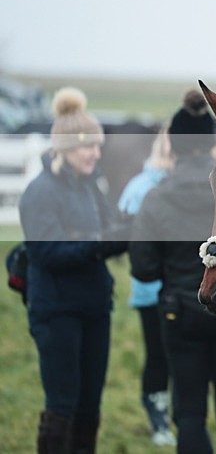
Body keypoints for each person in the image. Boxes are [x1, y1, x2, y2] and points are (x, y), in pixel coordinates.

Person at [129, 90, 216, 454]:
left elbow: (143, 269)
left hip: (180, 311)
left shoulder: (157, 197)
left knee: (190, 413)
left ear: (174, 145)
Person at [19, 87, 129, 454]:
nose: (95, 154)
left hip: (94, 308)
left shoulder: (90, 188)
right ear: (65, 148)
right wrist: (102, 243)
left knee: (89, 406)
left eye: (98, 147)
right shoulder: (39, 191)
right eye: (88, 147)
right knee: (63, 404)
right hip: (57, 311)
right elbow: (48, 253)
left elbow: (108, 229)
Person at [117, 127, 177, 447]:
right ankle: (157, 417)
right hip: (151, 291)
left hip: (183, 291)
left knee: (182, 356)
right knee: (158, 355)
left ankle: (180, 415)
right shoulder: (140, 188)